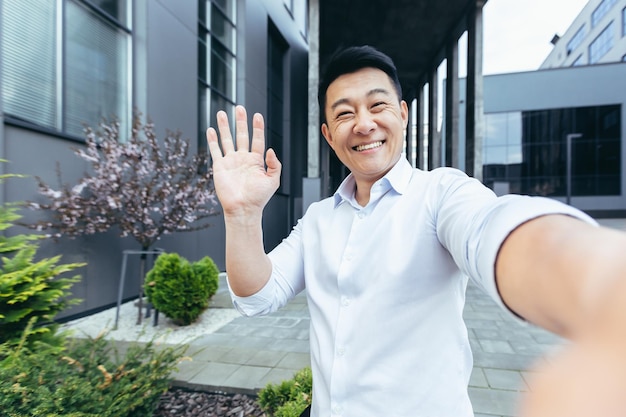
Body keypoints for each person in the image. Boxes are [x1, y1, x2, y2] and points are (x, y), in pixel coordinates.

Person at [206, 45, 626, 417]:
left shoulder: (441, 193)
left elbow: (494, 231)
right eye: (345, 113)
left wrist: (601, 280)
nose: (364, 124)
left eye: (378, 106)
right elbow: (256, 296)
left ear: (403, 115)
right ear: (329, 136)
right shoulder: (319, 219)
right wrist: (242, 214)